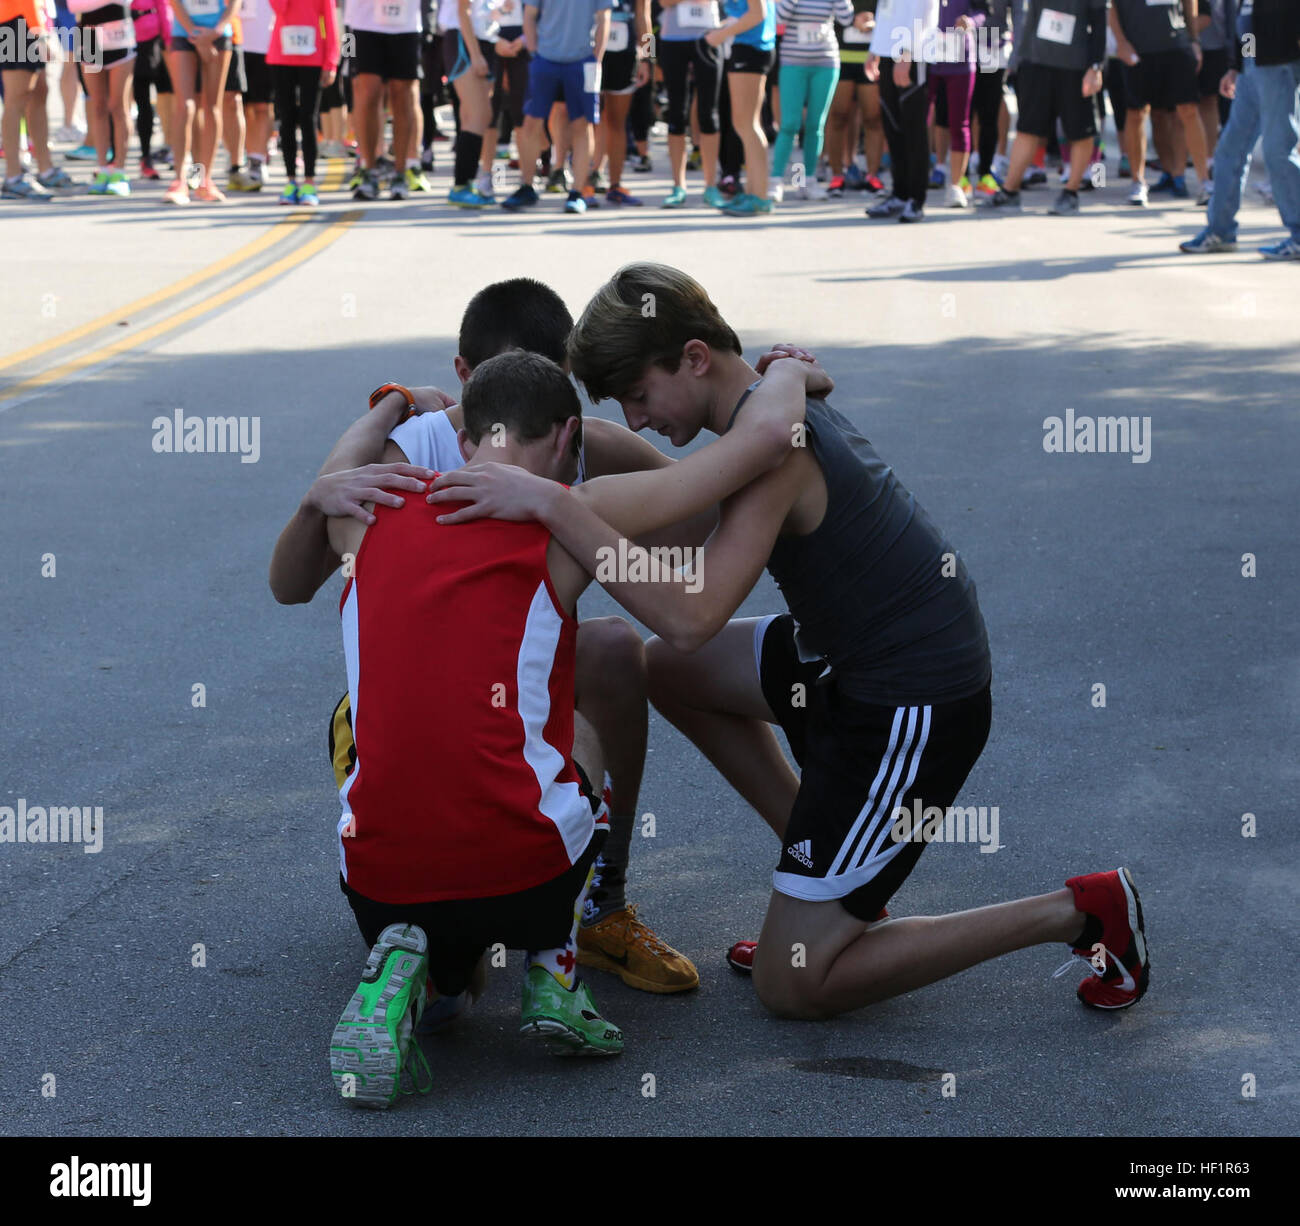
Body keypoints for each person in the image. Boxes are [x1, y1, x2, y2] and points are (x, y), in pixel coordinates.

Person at [432, 262, 1152, 1023]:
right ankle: (830, 900)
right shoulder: (758, 414)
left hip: (914, 703)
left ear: (695, 358)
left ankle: (1079, 912)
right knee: (668, 672)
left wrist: (557, 507)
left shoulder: (775, 444)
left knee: (792, 985)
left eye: (640, 396)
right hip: (842, 659)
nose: (639, 421)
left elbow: (691, 612)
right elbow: (677, 539)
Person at [270, 279, 705, 996]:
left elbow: (694, 513)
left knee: (612, 647)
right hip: (413, 712)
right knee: (461, 974)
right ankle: (505, 939)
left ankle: (600, 902)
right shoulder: (407, 454)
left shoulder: (587, 449)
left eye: (552, 384)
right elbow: (293, 582)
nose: (528, 404)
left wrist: (577, 507)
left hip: (481, 728)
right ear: (464, 391)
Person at [1179, 0, 1300, 260]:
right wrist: (1237, 66)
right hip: (1252, 65)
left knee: (1278, 151)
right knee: (1229, 151)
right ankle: (1220, 231)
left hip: (1279, 61)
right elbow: (1244, 18)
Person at [985, 0, 1106, 216]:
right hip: (1036, 61)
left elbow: (1099, 21)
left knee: (1081, 131)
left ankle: (1071, 192)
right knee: (1028, 128)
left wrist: (1095, 66)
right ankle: (1009, 191)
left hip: (1076, 66)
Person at [500, 0, 611, 213]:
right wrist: (534, 51)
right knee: (535, 121)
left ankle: (589, 186)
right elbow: (530, 15)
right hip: (546, 59)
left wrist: (647, 57)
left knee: (600, 121)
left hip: (591, 60)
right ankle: (532, 183)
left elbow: (644, 19)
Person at [1110, 0, 1209, 207]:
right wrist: (1121, 43)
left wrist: (1194, 40)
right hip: (1138, 47)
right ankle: (1138, 182)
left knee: (1188, 110)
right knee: (1136, 113)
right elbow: (1111, 7)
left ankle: (1204, 183)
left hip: (1176, 45)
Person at [768, 0, 856, 203]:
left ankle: (807, 181)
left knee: (815, 125)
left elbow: (846, 18)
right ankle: (776, 180)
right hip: (793, 63)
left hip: (825, 62)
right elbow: (778, 18)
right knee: (789, 124)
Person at [865, 0, 938, 221]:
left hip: (913, 54)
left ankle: (916, 200)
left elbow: (924, 12)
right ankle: (899, 194)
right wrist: (874, 50)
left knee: (914, 130)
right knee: (893, 127)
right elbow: (885, 9)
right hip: (887, 52)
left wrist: (907, 52)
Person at [344, 0, 422, 200]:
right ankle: (369, 170)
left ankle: (400, 173)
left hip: (405, 22)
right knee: (367, 93)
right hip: (362, 23)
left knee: (402, 95)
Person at [267, 0, 339, 204]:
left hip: (313, 56)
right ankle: (290, 181)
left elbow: (331, 22)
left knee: (308, 119)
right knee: (287, 119)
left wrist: (331, 62)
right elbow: (277, 7)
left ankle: (309, 182)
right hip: (281, 56)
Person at [165, 0, 235, 203]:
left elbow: (235, 3)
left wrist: (215, 31)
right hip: (184, 32)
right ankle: (181, 180)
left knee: (211, 107)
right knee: (186, 106)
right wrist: (195, 34)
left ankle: (204, 179)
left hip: (218, 34)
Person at [657, 0, 725, 207]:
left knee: (709, 115)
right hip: (672, 40)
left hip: (708, 38)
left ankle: (711, 186)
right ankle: (678, 186)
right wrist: (648, 57)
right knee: (676, 114)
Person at [2, 0, 72, 197]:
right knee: (16, 100)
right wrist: (39, 31)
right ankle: (13, 176)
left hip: (30, 19)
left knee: (39, 93)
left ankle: (45, 168)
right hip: (16, 22)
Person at [711, 0, 776, 214]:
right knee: (744, 124)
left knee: (748, 125)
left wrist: (722, 33)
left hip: (751, 47)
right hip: (748, 46)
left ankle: (759, 197)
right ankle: (753, 192)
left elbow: (758, 14)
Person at [72, 0, 138, 197]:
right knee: (98, 106)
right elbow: (74, 5)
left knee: (118, 106)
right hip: (88, 37)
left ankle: (119, 171)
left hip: (119, 35)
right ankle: (102, 169)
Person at [592, 0, 649, 204]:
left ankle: (615, 185)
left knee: (617, 122)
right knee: (590, 120)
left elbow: (644, 16)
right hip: (590, 51)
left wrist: (647, 58)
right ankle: (586, 183)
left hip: (624, 56)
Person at [131, 0, 175, 182]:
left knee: (140, 101)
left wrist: (169, 39)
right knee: (97, 100)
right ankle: (106, 162)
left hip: (143, 38)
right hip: (89, 35)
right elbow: (73, 7)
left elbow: (163, 5)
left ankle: (145, 158)